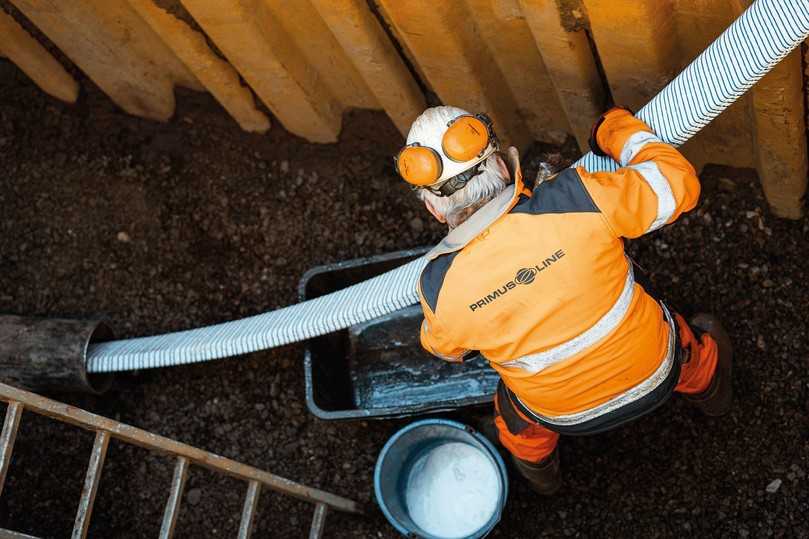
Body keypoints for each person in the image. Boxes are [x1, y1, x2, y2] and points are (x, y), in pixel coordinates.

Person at [396, 105, 732, 494]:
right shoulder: (575, 198)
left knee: (515, 416)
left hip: (562, 416)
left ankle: (541, 475)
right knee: (684, 338)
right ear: (503, 167)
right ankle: (713, 390)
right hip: (657, 369)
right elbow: (678, 184)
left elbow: (445, 349)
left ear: (433, 208)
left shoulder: (438, 287)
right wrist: (615, 131)